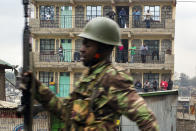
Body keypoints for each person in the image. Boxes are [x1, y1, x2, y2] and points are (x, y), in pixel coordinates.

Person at [22, 17, 159, 131]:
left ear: (103, 49)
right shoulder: (88, 76)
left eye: (88, 46)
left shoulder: (113, 77)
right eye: (83, 44)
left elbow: (146, 118)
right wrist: (36, 87)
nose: (81, 50)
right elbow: (65, 112)